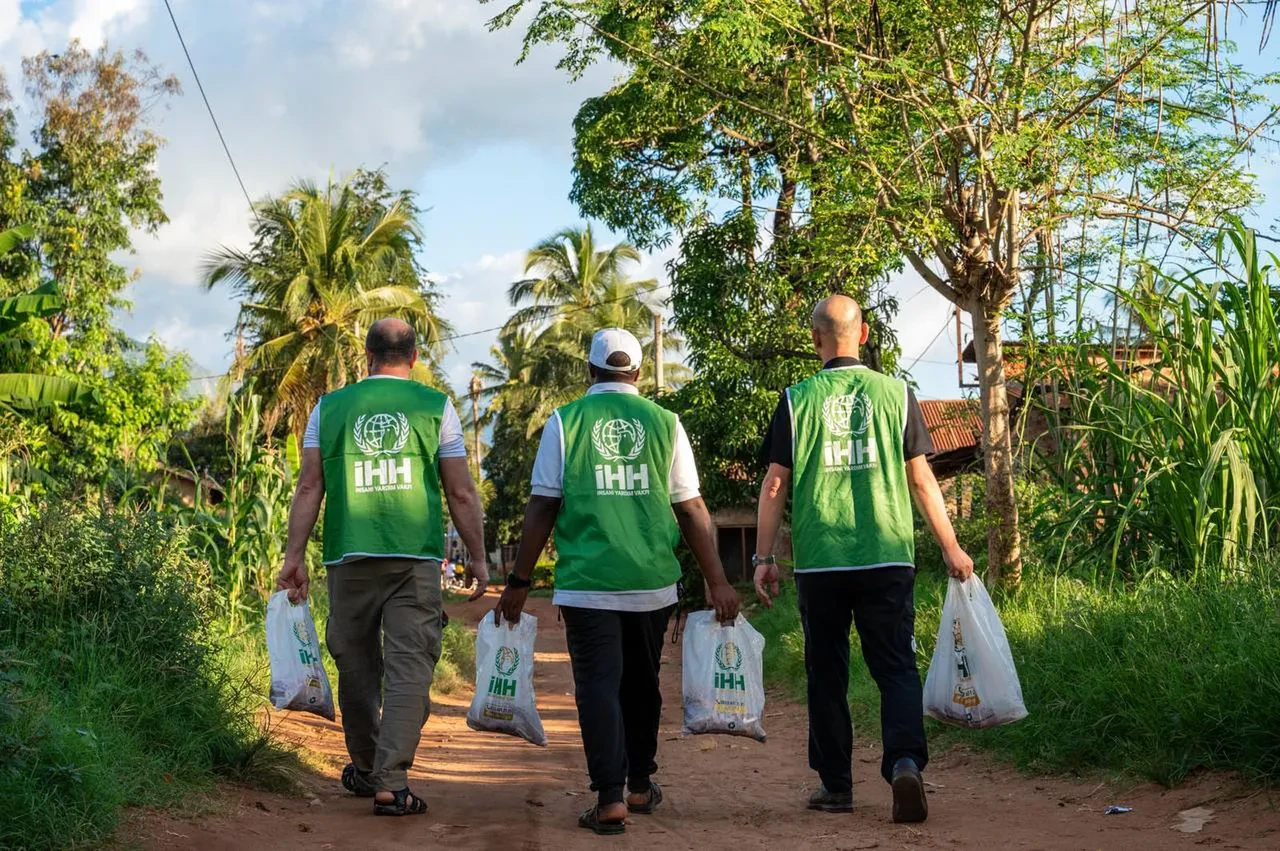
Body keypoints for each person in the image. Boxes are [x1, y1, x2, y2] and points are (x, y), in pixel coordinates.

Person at [495, 327, 740, 836]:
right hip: (651, 582)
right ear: (638, 372)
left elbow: (544, 504)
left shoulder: (565, 422)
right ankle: (640, 784)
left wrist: (520, 579)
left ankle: (609, 797)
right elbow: (691, 507)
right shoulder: (666, 422)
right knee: (642, 682)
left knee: (598, 686)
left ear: (590, 371)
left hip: (588, 581)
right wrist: (717, 581)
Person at [752, 295, 974, 824]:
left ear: (815, 341)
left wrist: (764, 557)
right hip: (887, 557)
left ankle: (836, 786)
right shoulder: (897, 394)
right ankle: (903, 762)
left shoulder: (796, 399)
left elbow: (776, 482)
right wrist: (951, 547)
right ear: (865, 334)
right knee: (895, 667)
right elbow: (922, 480)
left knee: (826, 674)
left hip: (823, 562)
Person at [276, 318, 489, 817]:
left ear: (366, 355)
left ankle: (370, 767)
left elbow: (309, 488)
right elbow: (460, 490)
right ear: (415, 358)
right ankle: (390, 781)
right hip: (413, 558)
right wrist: (477, 558)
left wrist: (293, 558)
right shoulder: (436, 407)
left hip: (348, 558)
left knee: (355, 665)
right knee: (409, 666)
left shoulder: (328, 408)